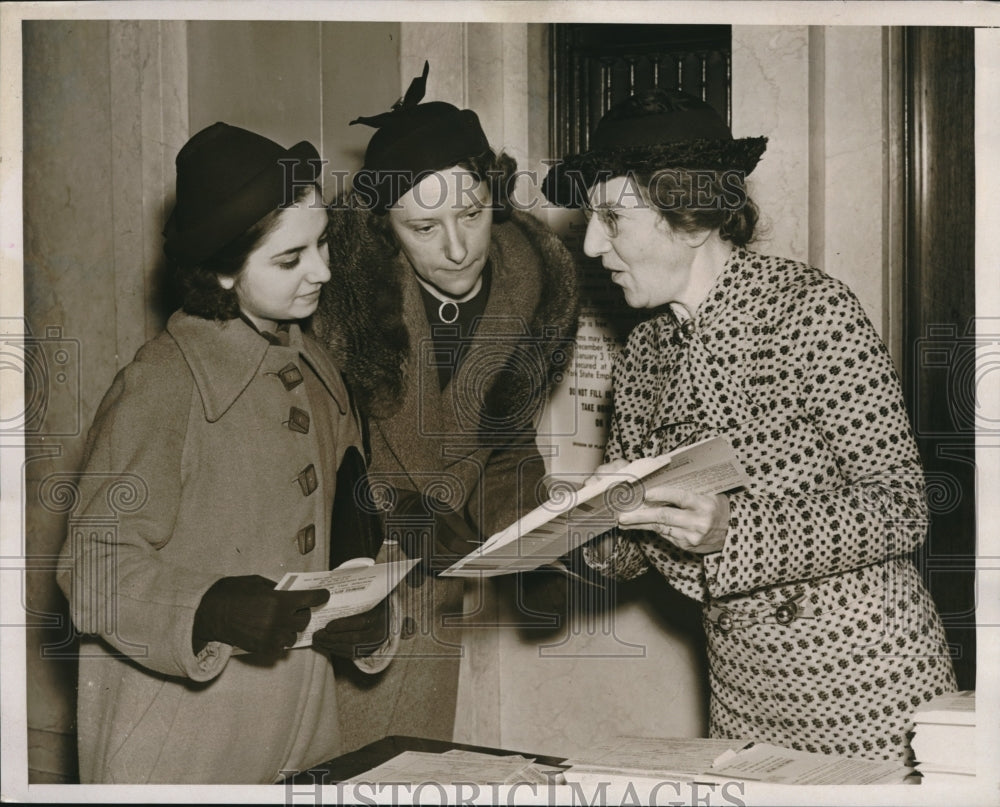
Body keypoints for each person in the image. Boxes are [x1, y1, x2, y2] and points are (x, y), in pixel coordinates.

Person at [542, 89, 957, 764]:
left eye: (612, 218)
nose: (592, 245)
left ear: (692, 216)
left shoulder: (810, 309)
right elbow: (641, 546)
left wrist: (733, 531)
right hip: (743, 697)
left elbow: (903, 506)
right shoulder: (644, 356)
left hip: (870, 683)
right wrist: (577, 527)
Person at [57, 122, 392, 783]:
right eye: (291, 259)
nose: (323, 269)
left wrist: (368, 612)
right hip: (179, 750)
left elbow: (350, 532)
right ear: (220, 270)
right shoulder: (164, 384)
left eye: (321, 244)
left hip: (301, 739)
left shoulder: (318, 368)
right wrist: (206, 608)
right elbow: (91, 570)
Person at [311, 62, 580, 747]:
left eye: (470, 213)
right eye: (424, 227)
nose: (459, 247)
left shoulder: (531, 291)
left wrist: (538, 548)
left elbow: (504, 443)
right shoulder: (338, 308)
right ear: (382, 229)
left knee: (415, 769)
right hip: (340, 594)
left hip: (435, 598)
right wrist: (392, 510)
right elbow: (306, 464)